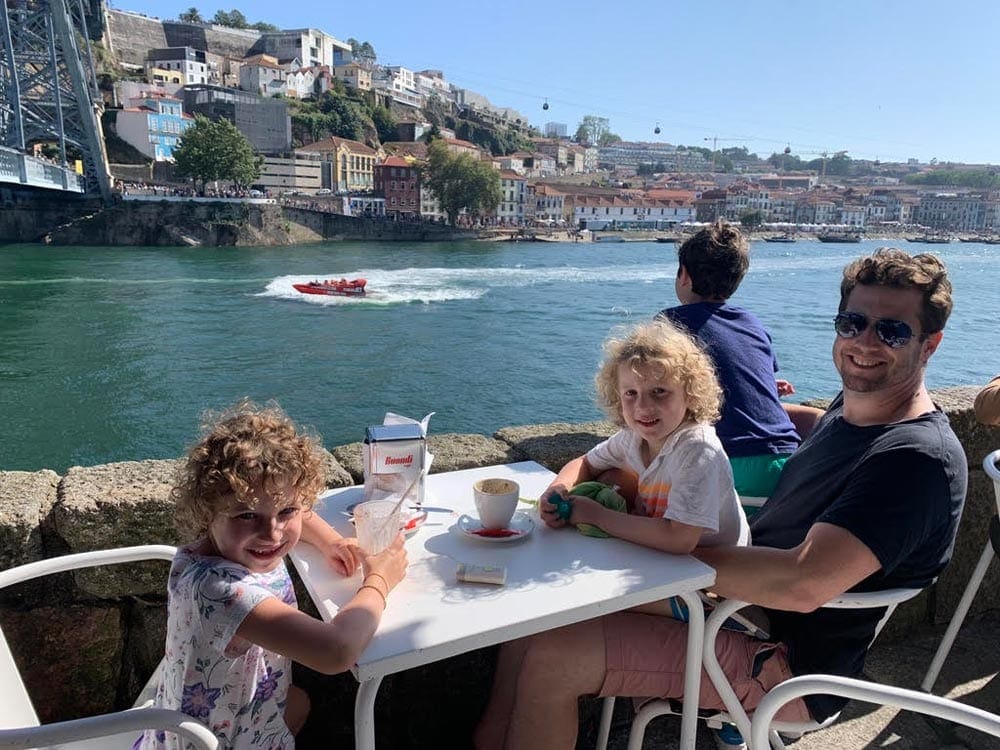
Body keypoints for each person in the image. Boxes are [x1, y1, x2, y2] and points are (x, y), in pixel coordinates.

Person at [475, 248, 967, 750]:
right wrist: (758, 413)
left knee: (552, 656)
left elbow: (801, 583)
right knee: (536, 614)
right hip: (732, 605)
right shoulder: (851, 411)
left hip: (780, 658)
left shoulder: (916, 460)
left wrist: (647, 556)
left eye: (892, 331)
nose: (864, 342)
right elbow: (814, 429)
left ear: (930, 345)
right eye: (853, 322)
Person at [137, 400, 408, 750]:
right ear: (207, 513)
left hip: (203, 712)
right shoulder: (221, 589)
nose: (273, 533)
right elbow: (336, 652)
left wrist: (333, 542)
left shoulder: (214, 547)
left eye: (286, 511)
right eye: (247, 516)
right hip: (213, 741)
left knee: (299, 702)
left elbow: (293, 508)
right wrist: (380, 579)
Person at [538, 319, 747, 553]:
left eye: (659, 391)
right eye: (631, 393)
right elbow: (586, 462)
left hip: (712, 562)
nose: (643, 406)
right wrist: (557, 489)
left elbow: (680, 539)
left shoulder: (696, 449)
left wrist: (598, 516)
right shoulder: (633, 438)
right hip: (661, 553)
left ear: (690, 395)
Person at [657, 221, 821, 499]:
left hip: (727, 462)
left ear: (684, 275)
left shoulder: (670, 323)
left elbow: (656, 388)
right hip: (787, 462)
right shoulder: (752, 323)